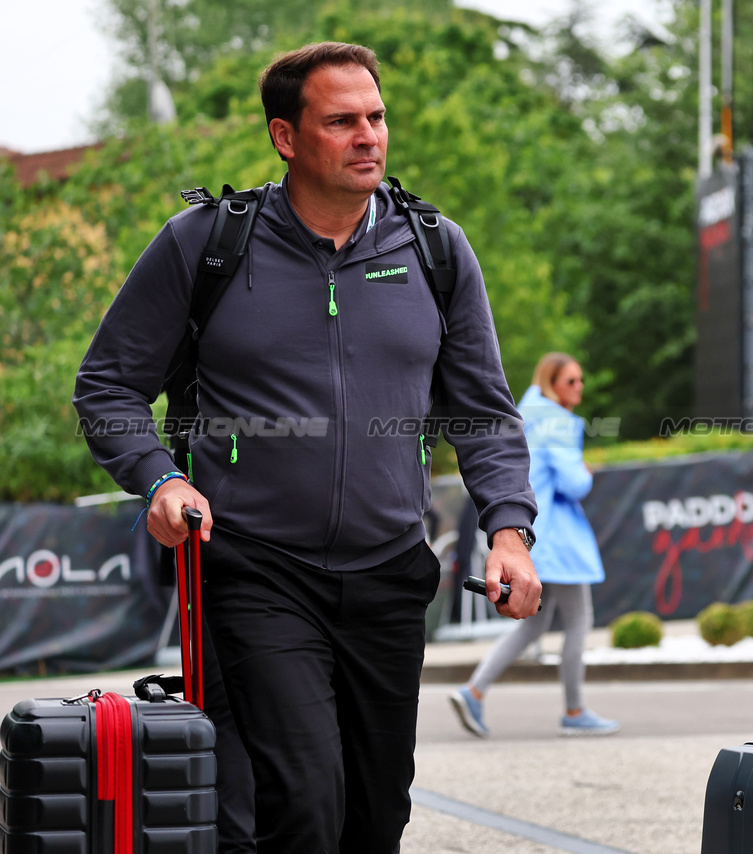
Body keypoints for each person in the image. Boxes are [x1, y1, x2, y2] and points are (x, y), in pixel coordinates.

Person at [74, 41, 541, 854]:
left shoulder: (435, 249)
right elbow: (108, 386)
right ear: (286, 137)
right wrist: (159, 481)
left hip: (391, 573)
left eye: (377, 117)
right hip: (255, 569)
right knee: (304, 802)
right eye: (342, 121)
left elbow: (483, 411)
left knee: (373, 819)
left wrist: (508, 531)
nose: (369, 136)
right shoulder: (204, 244)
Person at [450, 353, 620, 737]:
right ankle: (575, 712)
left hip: (529, 533)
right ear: (552, 383)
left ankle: (473, 691)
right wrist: (585, 473)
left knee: (532, 625)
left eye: (580, 381)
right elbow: (571, 483)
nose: (579, 388)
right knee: (579, 622)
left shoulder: (524, 415)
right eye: (571, 381)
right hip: (558, 539)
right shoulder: (557, 422)